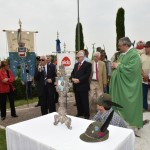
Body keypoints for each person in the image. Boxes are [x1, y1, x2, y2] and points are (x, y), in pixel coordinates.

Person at [109, 37, 143, 128]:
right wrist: (114, 65)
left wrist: (117, 66)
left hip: (128, 87)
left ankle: (131, 124)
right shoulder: (122, 54)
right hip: (120, 86)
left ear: (126, 45)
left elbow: (131, 70)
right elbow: (118, 63)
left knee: (128, 106)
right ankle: (118, 121)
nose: (119, 47)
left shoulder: (134, 55)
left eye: (120, 45)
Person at [71, 50, 91, 119]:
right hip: (76, 86)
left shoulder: (88, 64)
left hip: (83, 86)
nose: (77, 59)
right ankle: (80, 112)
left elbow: (87, 75)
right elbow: (72, 73)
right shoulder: (76, 65)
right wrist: (72, 78)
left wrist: (79, 80)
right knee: (78, 101)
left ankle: (86, 114)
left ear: (82, 57)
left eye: (78, 57)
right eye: (76, 58)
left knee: (84, 101)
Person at [141, 41, 150, 111]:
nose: (145, 48)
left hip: (148, 78)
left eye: (147, 47)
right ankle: (145, 108)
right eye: (145, 47)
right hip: (143, 80)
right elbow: (138, 67)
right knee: (143, 95)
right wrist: (143, 75)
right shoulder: (142, 56)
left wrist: (148, 77)